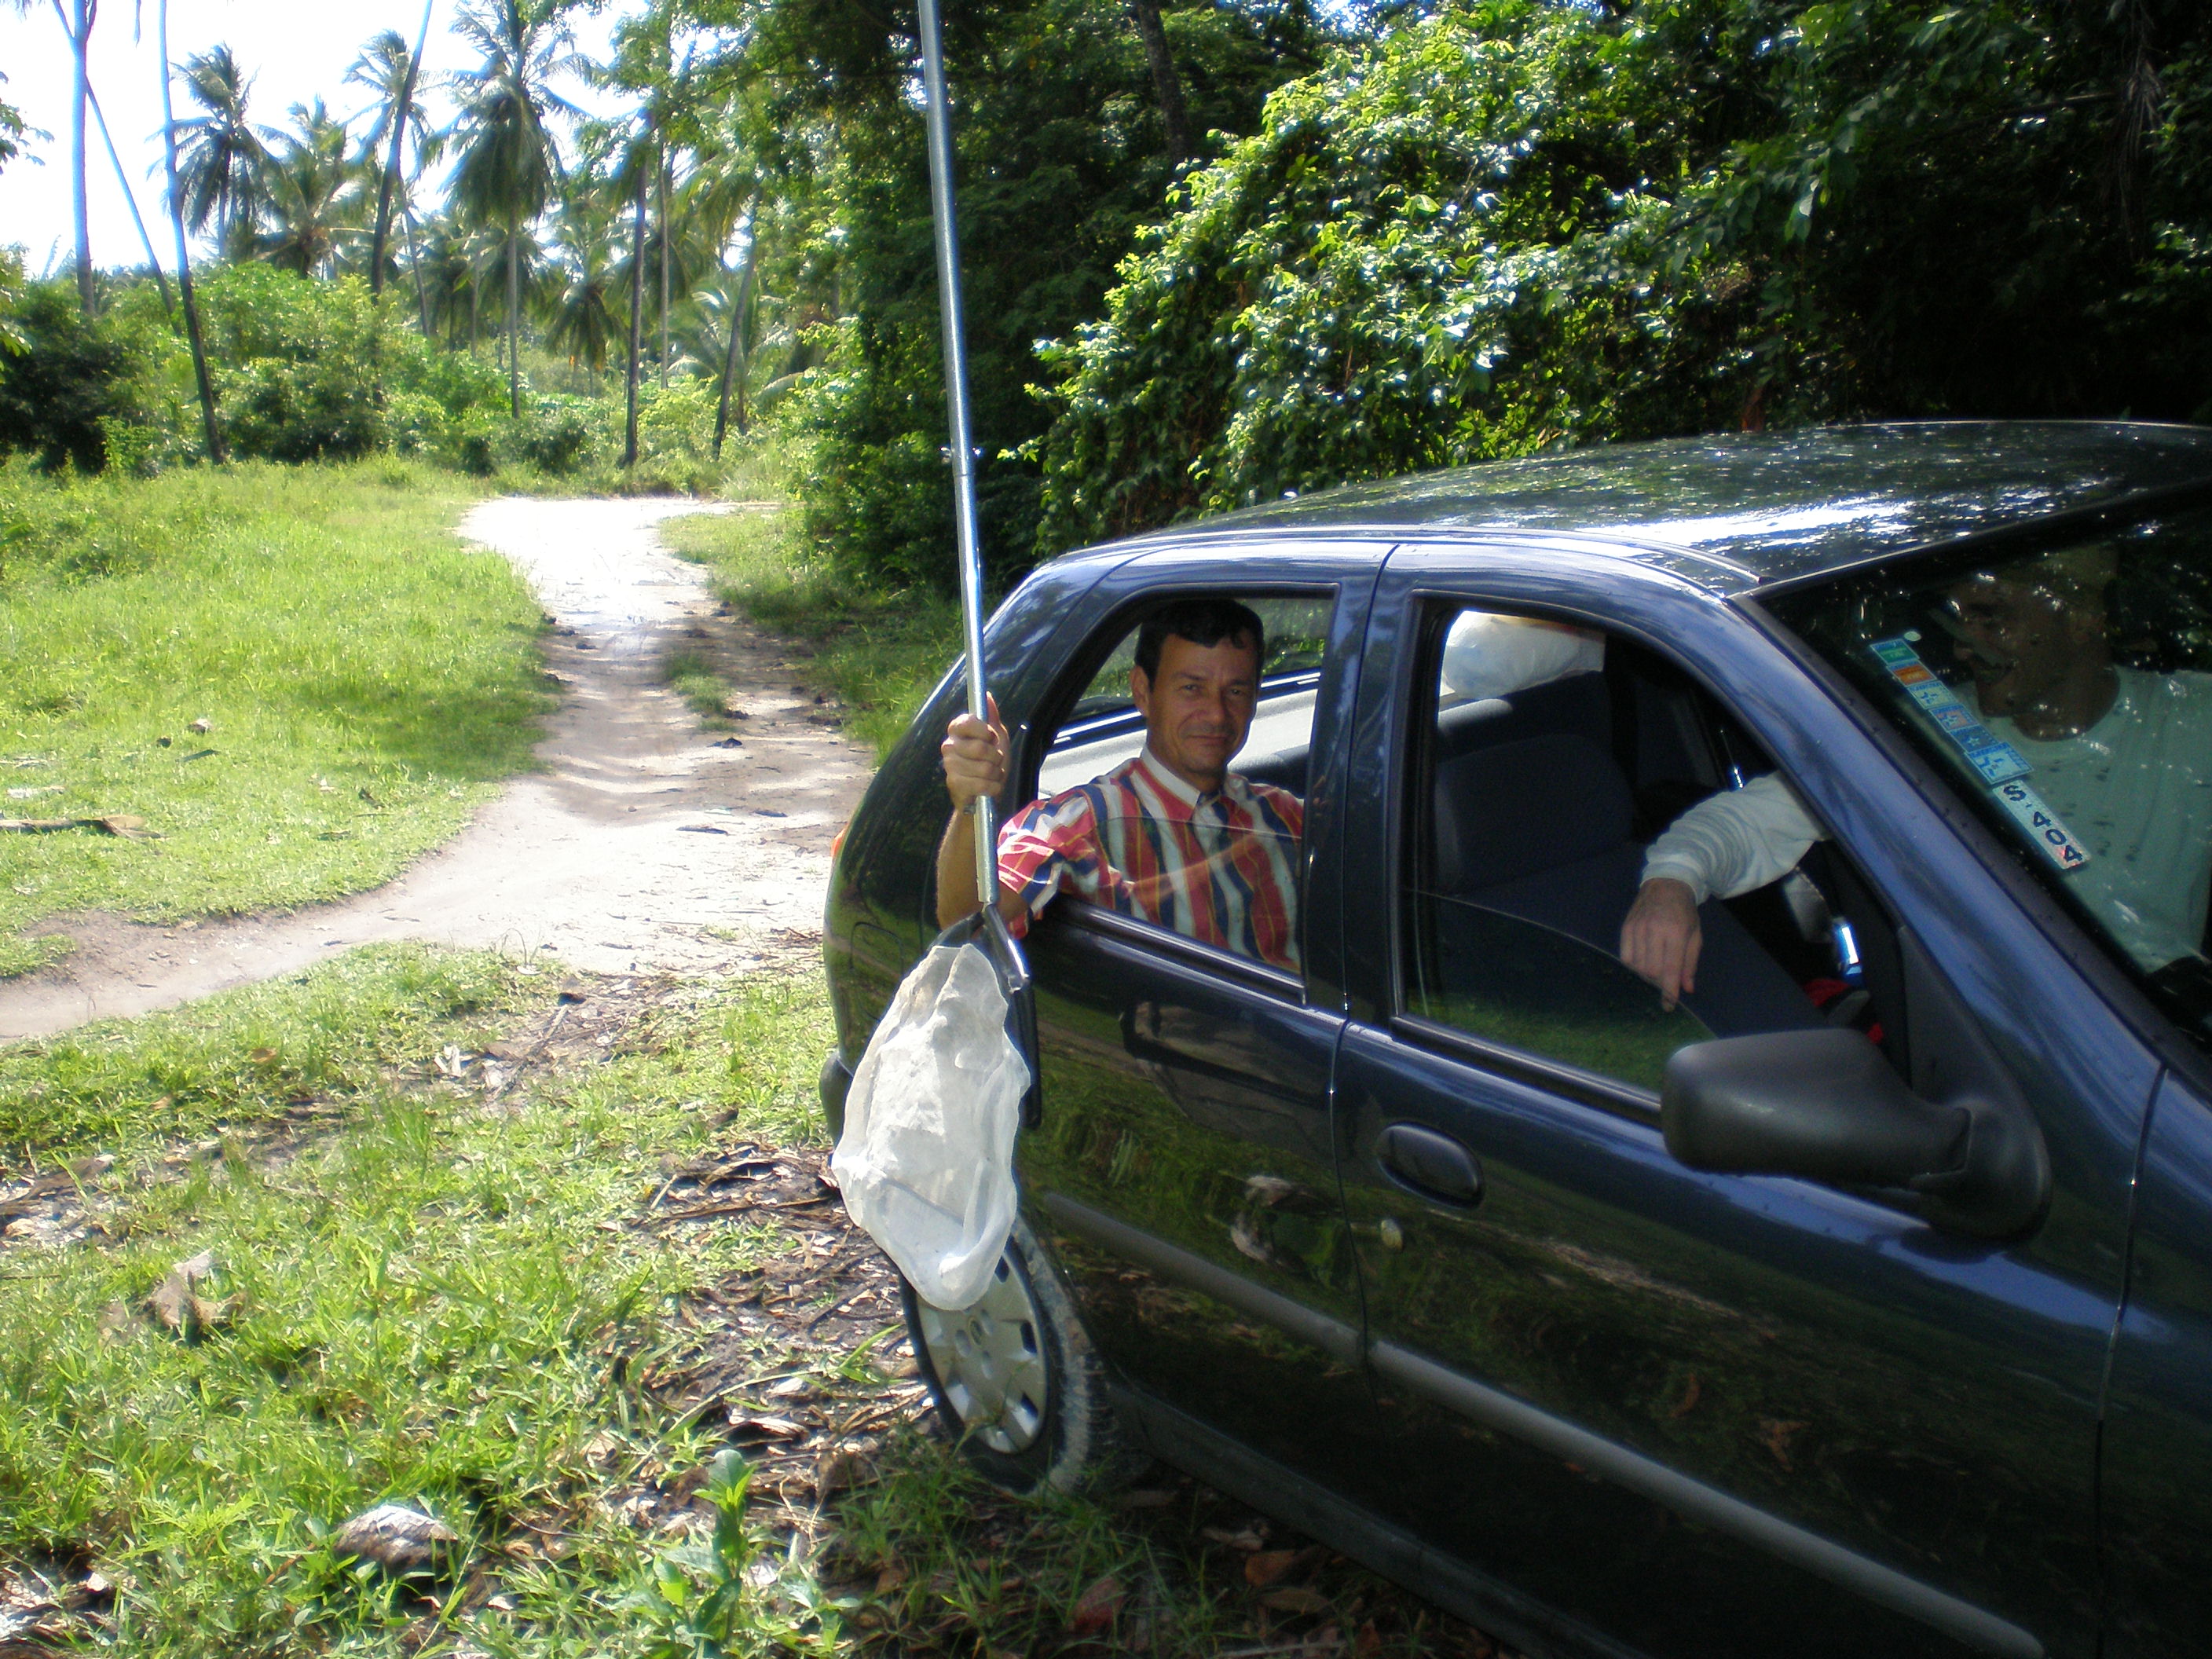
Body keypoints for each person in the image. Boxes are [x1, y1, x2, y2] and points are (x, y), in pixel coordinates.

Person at [1620, 544, 2212, 1007]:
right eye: (1960, 621)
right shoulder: (1931, 736)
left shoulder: (2192, 719)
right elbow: (1752, 819)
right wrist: (1671, 883)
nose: (1963, 649)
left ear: (2081, 619)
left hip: (2170, 1025)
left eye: (1991, 618)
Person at [936, 598, 1306, 971]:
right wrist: (971, 804)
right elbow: (968, 925)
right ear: (1143, 692)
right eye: (1192, 688)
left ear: (1257, 697)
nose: (1216, 713)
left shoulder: (1282, 815)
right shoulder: (1081, 823)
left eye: (1236, 691)